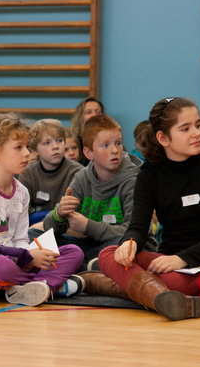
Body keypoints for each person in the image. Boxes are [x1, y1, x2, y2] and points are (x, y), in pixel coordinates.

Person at [93, 97, 200, 321]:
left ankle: (108, 285)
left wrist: (181, 259)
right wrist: (129, 243)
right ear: (163, 138)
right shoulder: (149, 175)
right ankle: (164, 299)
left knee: (176, 283)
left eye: (198, 125)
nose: (197, 133)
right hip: (165, 261)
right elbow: (137, 227)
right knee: (109, 254)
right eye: (185, 128)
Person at [0, 113, 84, 306]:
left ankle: (32, 288)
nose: (27, 153)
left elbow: (21, 240)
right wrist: (27, 257)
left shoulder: (21, 192)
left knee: (73, 251)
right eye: (18, 148)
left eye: (27, 147)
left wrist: (30, 256)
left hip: (16, 260)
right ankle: (47, 284)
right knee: (1, 266)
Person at [39, 114, 143, 267]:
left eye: (118, 143)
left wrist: (88, 226)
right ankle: (89, 264)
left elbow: (133, 232)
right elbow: (51, 227)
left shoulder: (133, 180)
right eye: (106, 145)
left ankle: (78, 264)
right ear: (89, 153)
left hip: (121, 245)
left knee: (121, 244)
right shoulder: (82, 177)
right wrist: (59, 213)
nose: (115, 150)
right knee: (37, 236)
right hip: (90, 245)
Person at [19, 119, 83, 225]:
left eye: (60, 140)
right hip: (35, 230)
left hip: (68, 231)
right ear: (34, 150)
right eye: (47, 143)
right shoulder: (28, 174)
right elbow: (22, 215)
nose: (55, 146)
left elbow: (76, 215)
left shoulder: (77, 173)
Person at [70, 97, 105, 165]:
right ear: (79, 117)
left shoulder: (111, 140)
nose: (94, 115)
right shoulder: (73, 142)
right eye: (88, 112)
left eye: (98, 112)